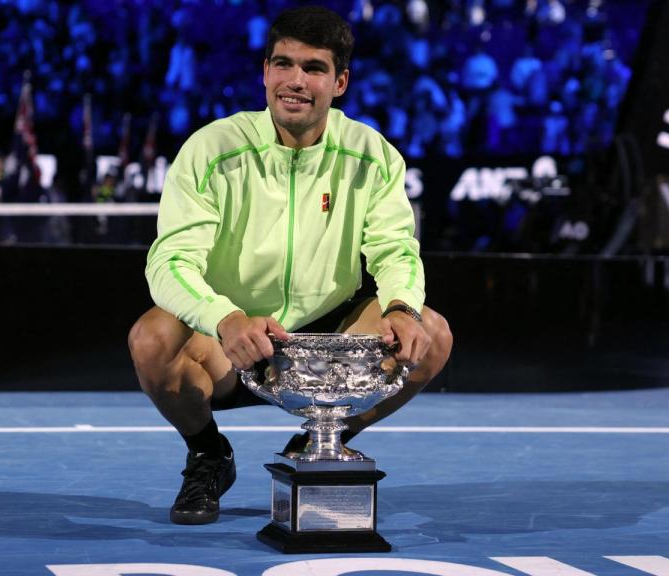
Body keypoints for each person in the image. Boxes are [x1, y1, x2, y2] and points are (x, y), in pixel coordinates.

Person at [128, 6, 452, 526]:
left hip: (329, 340)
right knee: (152, 338)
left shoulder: (373, 155)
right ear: (265, 72)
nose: (294, 81)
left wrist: (401, 306)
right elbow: (169, 261)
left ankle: (319, 440)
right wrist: (224, 317)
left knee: (430, 334)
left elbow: (395, 250)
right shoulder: (211, 149)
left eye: (314, 68)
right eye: (283, 64)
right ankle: (209, 455)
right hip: (230, 339)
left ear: (340, 81)